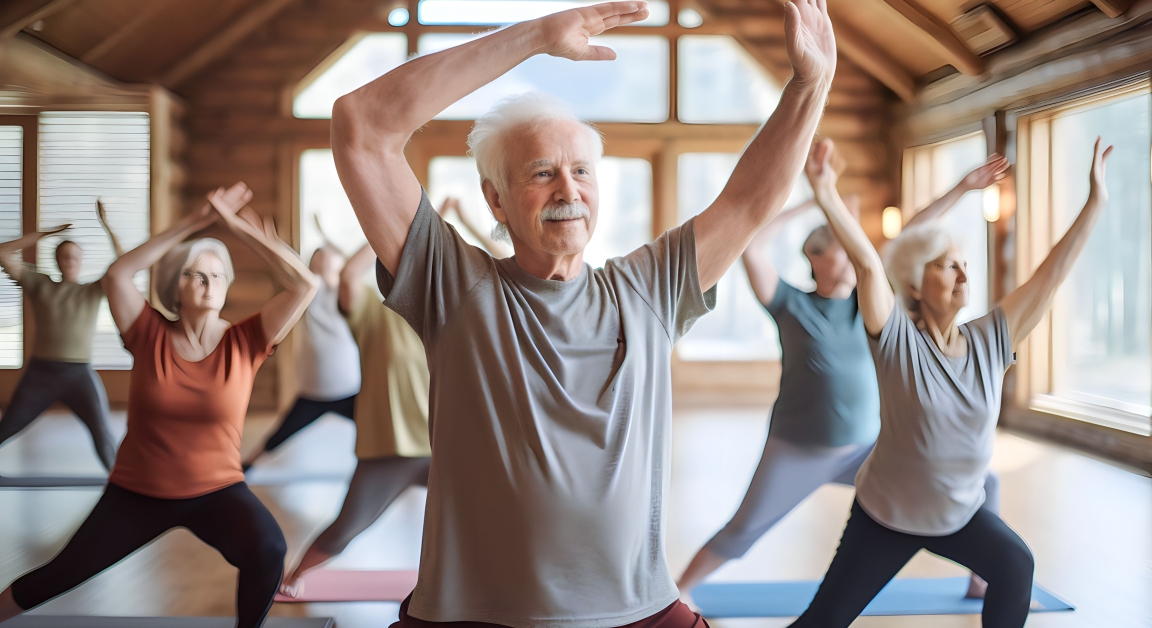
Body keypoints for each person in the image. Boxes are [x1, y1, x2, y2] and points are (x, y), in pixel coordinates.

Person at [331, 0, 837, 626]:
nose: (567, 190)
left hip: (637, 610)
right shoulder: (453, 286)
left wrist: (810, 84)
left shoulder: (649, 288)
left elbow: (748, 202)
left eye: (581, 171)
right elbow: (361, 126)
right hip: (470, 615)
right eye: (541, 173)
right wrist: (537, 37)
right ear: (496, 199)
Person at [787, 138, 1112, 628]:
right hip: (886, 516)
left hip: (959, 514)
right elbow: (871, 266)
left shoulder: (992, 339)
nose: (962, 271)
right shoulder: (896, 338)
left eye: (963, 262)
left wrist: (1095, 203)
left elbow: (1051, 275)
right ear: (915, 286)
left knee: (1014, 565)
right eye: (945, 264)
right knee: (821, 623)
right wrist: (827, 194)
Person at [675, 151, 1011, 599]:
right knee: (743, 530)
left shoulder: (868, 307)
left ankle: (980, 580)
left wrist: (962, 188)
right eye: (841, 248)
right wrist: (813, 201)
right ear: (817, 259)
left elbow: (909, 240)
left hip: (868, 452)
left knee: (985, 482)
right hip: (799, 450)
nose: (855, 257)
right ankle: (677, 591)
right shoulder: (791, 304)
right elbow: (752, 246)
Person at [0, 183, 320, 628]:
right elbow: (117, 275)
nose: (208, 283)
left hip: (217, 491)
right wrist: (194, 221)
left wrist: (233, 227)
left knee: (268, 549)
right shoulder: (146, 332)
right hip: (137, 494)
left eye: (218, 275)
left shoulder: (245, 342)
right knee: (57, 576)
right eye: (195, 274)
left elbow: (305, 284)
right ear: (174, 286)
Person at [279, 240, 432, 597]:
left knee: (482, 515)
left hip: (440, 446)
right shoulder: (370, 312)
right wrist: (394, 232)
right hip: (388, 449)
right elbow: (348, 274)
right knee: (346, 528)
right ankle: (291, 577)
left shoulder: (437, 315)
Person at [0, 200, 126, 470]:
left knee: (102, 434)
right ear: (57, 260)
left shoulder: (92, 291)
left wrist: (108, 226)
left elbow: (124, 267)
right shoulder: (40, 283)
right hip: (41, 374)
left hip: (79, 374)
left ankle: (121, 486)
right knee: (7, 426)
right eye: (65, 256)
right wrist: (44, 234)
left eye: (75, 257)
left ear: (81, 261)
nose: (70, 261)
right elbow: (2, 252)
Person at [242, 242, 361, 470]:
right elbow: (297, 274)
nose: (323, 263)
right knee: (279, 435)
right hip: (312, 392)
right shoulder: (311, 291)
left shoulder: (345, 293)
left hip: (349, 389)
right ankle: (247, 465)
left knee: (378, 431)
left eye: (328, 258)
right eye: (318, 259)